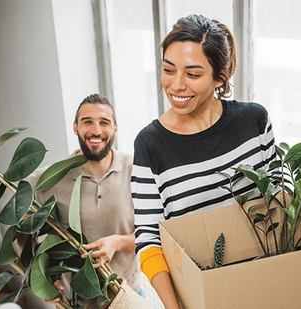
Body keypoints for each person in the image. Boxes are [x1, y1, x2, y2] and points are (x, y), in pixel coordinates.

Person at [131, 14, 276, 308]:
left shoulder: (254, 121)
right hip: (197, 298)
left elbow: (280, 200)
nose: (176, 85)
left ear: (220, 76)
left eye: (193, 75)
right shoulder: (149, 144)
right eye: (168, 70)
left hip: (267, 286)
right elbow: (148, 239)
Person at [28, 94, 147, 307]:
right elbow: (24, 235)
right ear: (75, 127)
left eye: (104, 122)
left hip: (128, 296)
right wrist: (42, 276)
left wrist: (117, 243)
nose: (96, 131)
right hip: (76, 303)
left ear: (115, 129)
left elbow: (152, 235)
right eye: (87, 122)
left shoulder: (135, 170)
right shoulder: (47, 180)